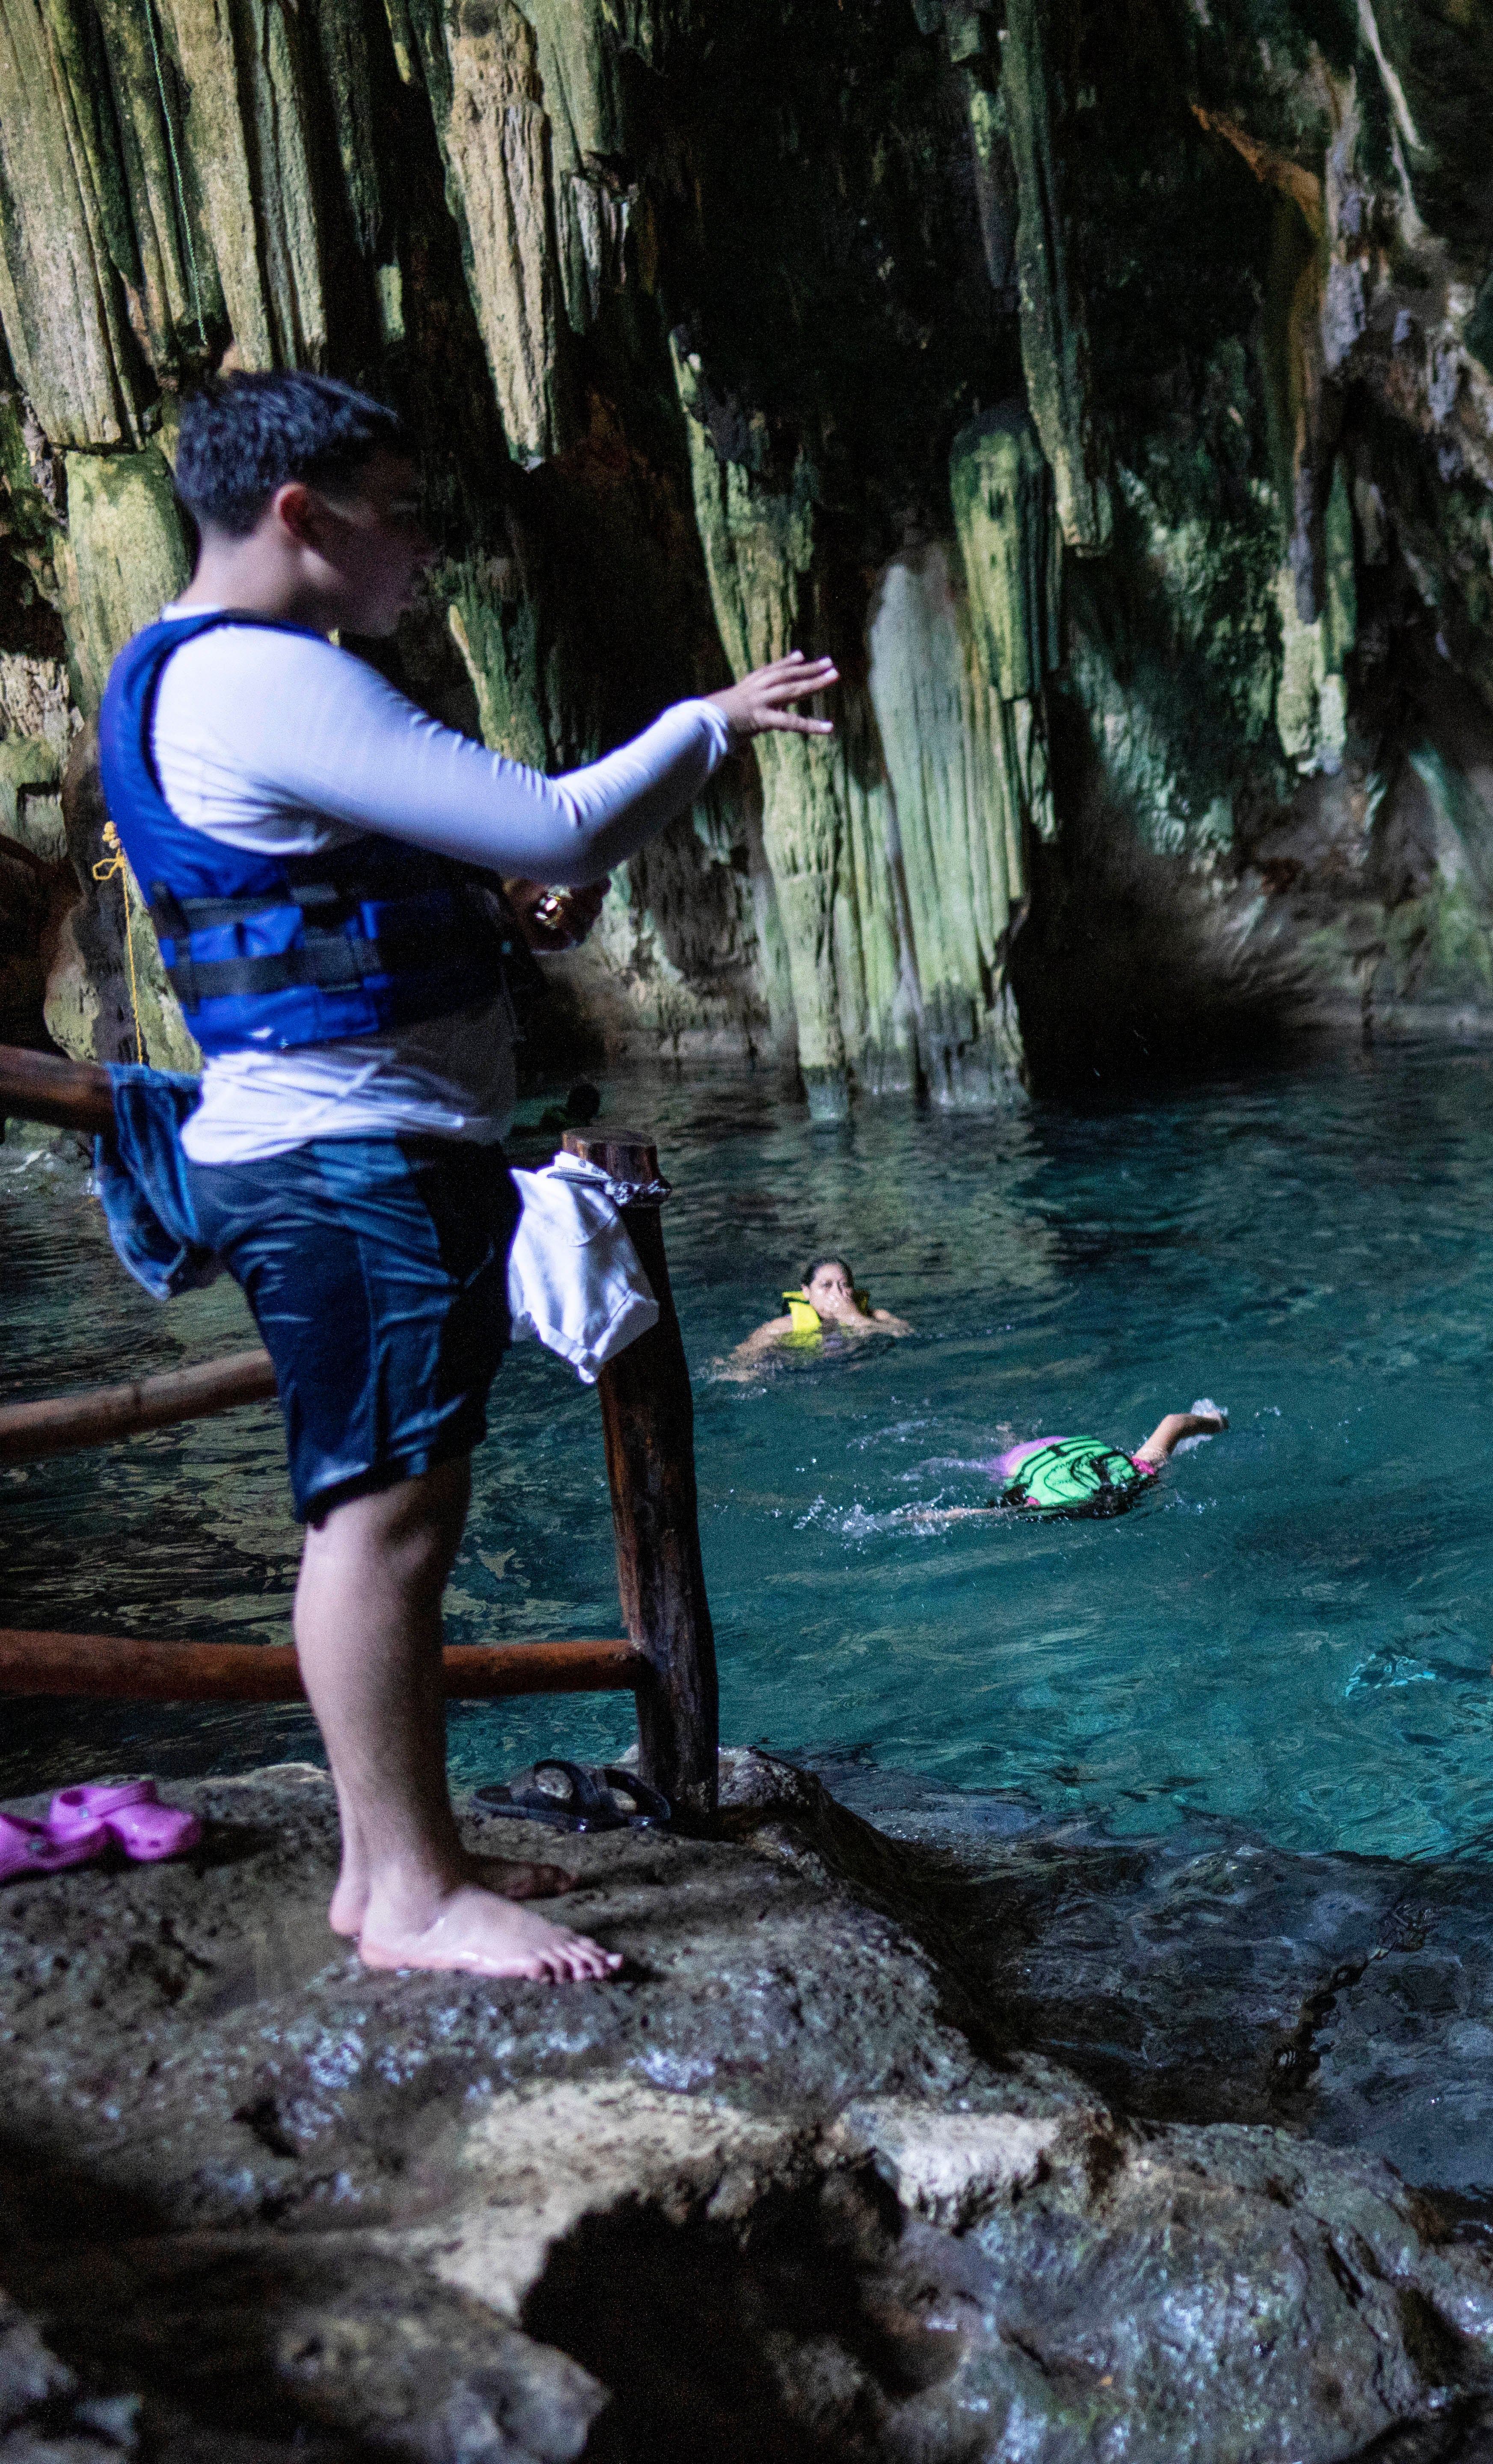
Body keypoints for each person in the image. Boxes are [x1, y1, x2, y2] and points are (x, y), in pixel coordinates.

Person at [102, 372, 832, 1980]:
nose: (429, 549)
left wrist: (492, 918)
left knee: (387, 1508)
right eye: (406, 512)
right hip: (344, 1164)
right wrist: (703, 726)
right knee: (385, 1521)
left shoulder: (211, 678)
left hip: (347, 1145)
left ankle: (388, 1865)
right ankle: (416, 1895)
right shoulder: (261, 677)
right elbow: (562, 824)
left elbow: (353, 888)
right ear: (302, 516)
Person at [989, 1404, 1225, 1519]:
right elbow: (983, 1513)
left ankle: (1008, 1434)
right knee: (1013, 1453)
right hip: (1019, 1460)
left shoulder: (1139, 1470)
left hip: (1063, 1446)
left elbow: (1174, 1422)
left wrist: (1215, 1422)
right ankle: (1008, 1435)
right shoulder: (1057, 1501)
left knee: (1015, 1451)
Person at [720, 1256, 913, 1378]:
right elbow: (742, 1359)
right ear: (806, 1292)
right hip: (804, 1379)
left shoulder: (877, 1316)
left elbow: (909, 1336)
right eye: (826, 1285)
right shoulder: (782, 1327)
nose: (836, 1293)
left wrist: (856, 1319)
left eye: (844, 1285)